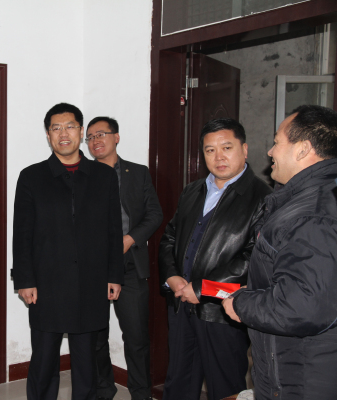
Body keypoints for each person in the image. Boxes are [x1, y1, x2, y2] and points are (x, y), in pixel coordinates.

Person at [223, 105, 337, 400]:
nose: (270, 152)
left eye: (277, 142)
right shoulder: (308, 200)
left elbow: (301, 307)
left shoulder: (312, 214)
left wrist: (243, 303)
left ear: (303, 149)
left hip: (302, 375)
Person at [13, 103, 125, 400]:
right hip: (46, 283)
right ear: (48, 135)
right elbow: (22, 234)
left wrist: (115, 275)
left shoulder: (103, 176)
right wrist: (24, 280)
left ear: (81, 131)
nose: (64, 133)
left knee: (86, 360)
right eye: (56, 128)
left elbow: (114, 230)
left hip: (91, 281)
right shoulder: (32, 177)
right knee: (44, 359)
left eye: (70, 126)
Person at [158, 118, 271, 400]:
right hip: (181, 303)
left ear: (244, 149)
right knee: (179, 381)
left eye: (227, 148)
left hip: (223, 311)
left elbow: (254, 257)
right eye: (210, 150)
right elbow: (170, 237)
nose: (218, 157)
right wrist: (171, 276)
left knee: (225, 386)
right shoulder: (192, 191)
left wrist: (201, 288)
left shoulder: (263, 198)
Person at [85, 116, 163, 400]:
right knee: (95, 337)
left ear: (116, 137)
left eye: (101, 134)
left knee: (137, 338)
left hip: (130, 265)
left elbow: (155, 214)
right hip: (93, 267)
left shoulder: (137, 173)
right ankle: (104, 389)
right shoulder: (82, 175)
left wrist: (130, 239)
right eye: (90, 137)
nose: (95, 141)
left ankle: (141, 394)